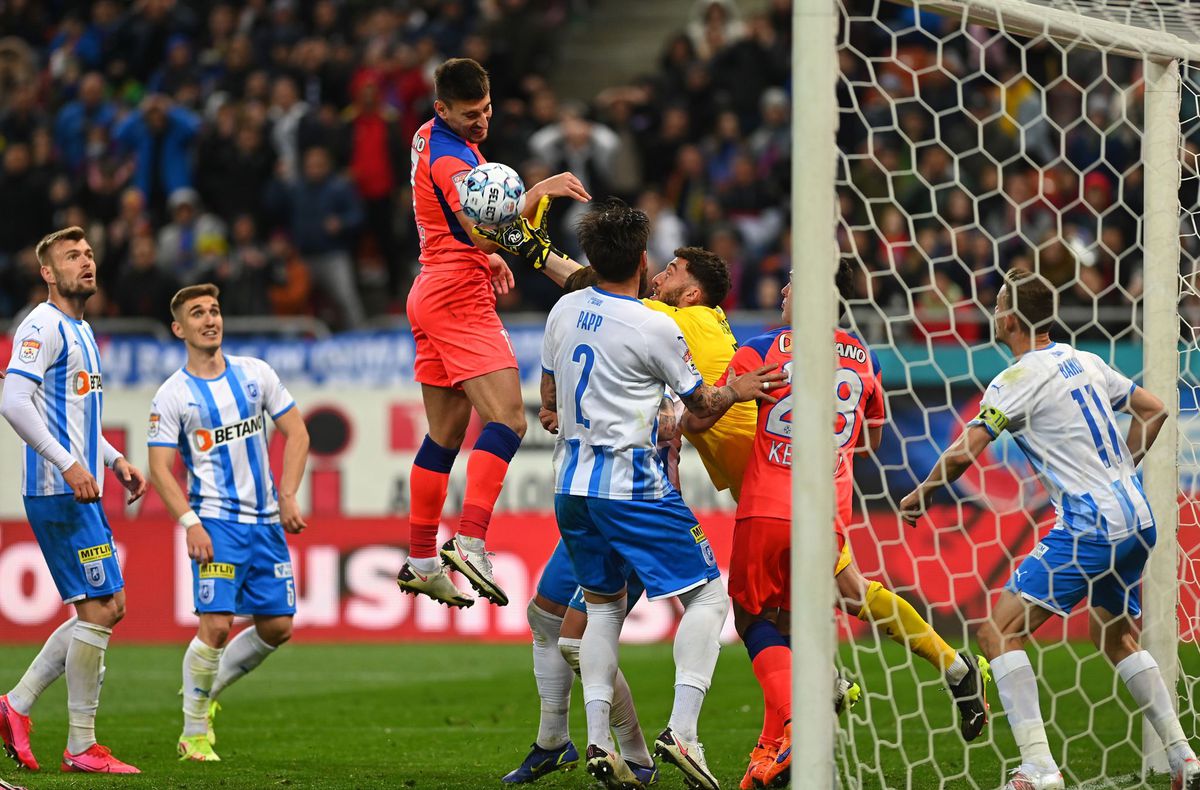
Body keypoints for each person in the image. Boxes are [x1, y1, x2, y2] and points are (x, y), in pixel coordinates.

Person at [687, 261, 987, 789]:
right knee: (836, 596)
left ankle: (800, 724)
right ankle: (949, 668)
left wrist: (687, 414)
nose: (782, 288)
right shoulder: (862, 355)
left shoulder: (760, 349)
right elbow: (871, 435)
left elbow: (702, 415)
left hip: (767, 504)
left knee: (757, 617)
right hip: (828, 509)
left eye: (795, 281)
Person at [900, 268, 1199, 790]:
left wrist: (921, 494)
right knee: (1113, 635)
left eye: (996, 305)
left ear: (1011, 318)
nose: (993, 313)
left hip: (1089, 522)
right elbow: (1153, 410)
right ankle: (1183, 758)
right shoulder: (1084, 359)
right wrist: (1124, 468)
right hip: (1138, 516)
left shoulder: (1015, 379)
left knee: (999, 631)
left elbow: (964, 451)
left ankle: (1038, 767)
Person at [540, 200, 785, 790]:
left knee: (600, 607)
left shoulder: (564, 308)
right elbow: (702, 407)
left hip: (570, 485)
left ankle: (600, 741)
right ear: (642, 259)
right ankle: (682, 730)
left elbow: (548, 400)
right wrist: (744, 387)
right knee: (710, 598)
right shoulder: (657, 325)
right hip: (634, 485)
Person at [398, 57, 589, 609]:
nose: (482, 122)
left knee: (444, 436)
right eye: (470, 114)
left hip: (433, 283)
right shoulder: (452, 160)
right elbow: (483, 231)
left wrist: (487, 257)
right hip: (457, 294)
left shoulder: (430, 135)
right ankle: (472, 541)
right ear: (442, 109)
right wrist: (539, 190)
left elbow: (464, 233)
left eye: (486, 110)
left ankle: (421, 559)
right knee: (507, 418)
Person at [0, 226, 148, 774]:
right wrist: (68, 465)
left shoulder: (78, 328)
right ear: (47, 272)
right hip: (57, 490)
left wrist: (113, 460)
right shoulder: (42, 323)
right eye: (70, 256)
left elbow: (71, 416)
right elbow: (13, 402)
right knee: (103, 608)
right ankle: (80, 746)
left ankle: (15, 707)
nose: (85, 262)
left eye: (88, 254)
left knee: (107, 607)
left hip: (77, 486)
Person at [146, 283, 310, 762]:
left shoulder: (255, 374)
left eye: (214, 311)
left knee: (278, 627)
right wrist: (189, 522)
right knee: (215, 627)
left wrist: (287, 493)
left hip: (265, 525)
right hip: (216, 523)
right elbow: (159, 467)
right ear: (180, 328)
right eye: (197, 313)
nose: (209, 319)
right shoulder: (172, 395)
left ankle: (202, 690)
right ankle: (194, 733)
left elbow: (297, 431)